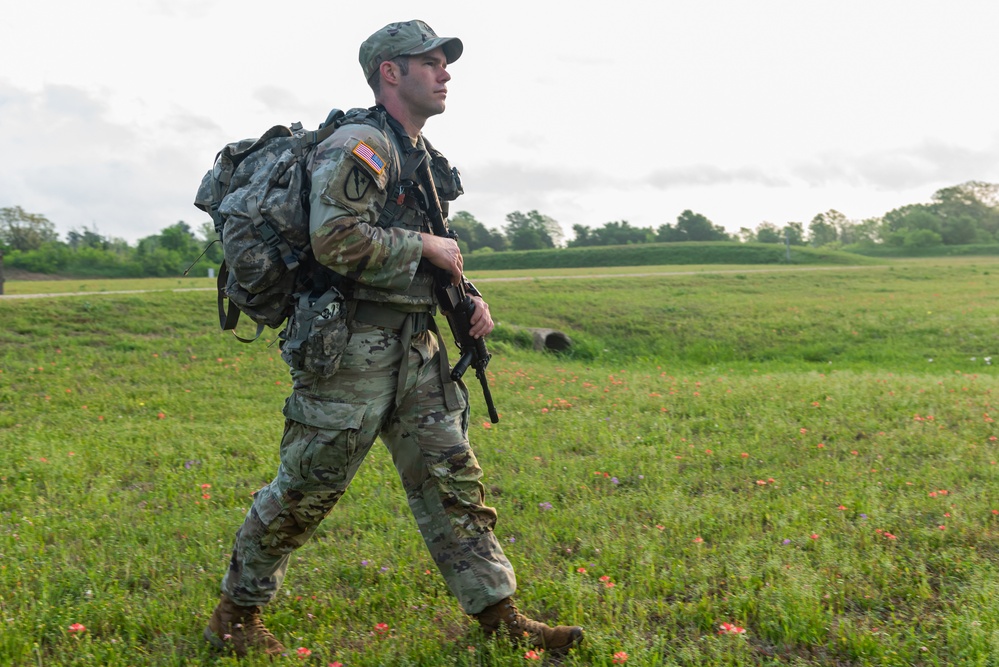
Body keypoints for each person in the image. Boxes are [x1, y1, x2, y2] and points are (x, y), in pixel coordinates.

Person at [204, 19, 584, 658]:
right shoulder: (361, 146)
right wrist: (426, 246)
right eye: (430, 62)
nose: (445, 72)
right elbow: (338, 240)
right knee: (306, 487)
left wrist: (468, 298)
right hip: (348, 347)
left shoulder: (423, 158)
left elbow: (426, 251)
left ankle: (501, 616)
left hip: (416, 346)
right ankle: (236, 615)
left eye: (445, 62)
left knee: (452, 480)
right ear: (391, 72)